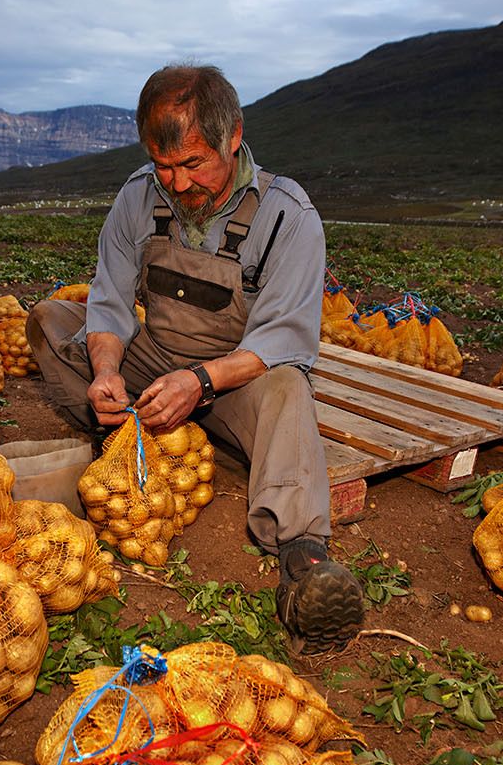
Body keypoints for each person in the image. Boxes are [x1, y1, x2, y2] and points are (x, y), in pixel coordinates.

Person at [26, 63, 364, 653]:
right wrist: (106, 371)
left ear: (233, 136)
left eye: (193, 164)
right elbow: (107, 304)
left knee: (289, 388)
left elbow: (282, 340)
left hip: (236, 375)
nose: (178, 186)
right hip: (153, 361)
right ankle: (123, 432)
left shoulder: (289, 217)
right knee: (52, 321)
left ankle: (302, 559)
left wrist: (200, 382)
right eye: (164, 167)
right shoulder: (139, 197)